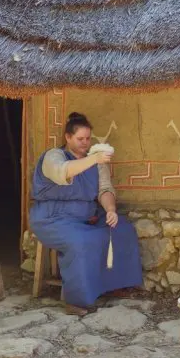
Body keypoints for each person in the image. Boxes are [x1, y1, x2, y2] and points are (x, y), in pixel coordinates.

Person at [29, 112, 143, 315]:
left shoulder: (95, 161)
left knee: (122, 230)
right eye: (80, 139)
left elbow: (105, 190)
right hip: (52, 218)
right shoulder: (53, 156)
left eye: (88, 138)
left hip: (84, 217)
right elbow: (63, 171)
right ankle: (77, 301)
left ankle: (114, 285)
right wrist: (94, 159)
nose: (85, 143)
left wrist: (110, 210)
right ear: (68, 137)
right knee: (80, 241)